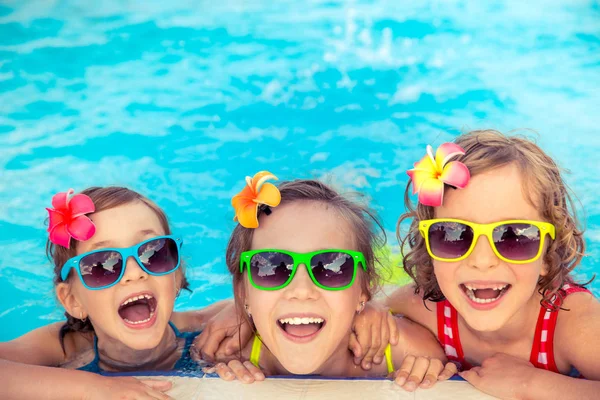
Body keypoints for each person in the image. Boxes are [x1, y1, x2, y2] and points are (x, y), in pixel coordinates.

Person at [356, 130, 600, 399]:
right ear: (429, 249)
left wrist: (531, 384)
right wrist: (372, 312)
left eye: (514, 237)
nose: (482, 261)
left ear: (547, 254)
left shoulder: (571, 321)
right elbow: (377, 308)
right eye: (453, 235)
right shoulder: (426, 306)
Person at [205, 173, 456, 391]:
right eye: (271, 266)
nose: (301, 290)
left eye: (331, 267)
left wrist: (426, 370)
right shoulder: (224, 350)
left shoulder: (410, 351)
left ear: (363, 291)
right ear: (243, 291)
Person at [0, 186, 229, 400]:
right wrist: (93, 387)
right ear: (72, 300)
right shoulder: (65, 347)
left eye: (153, 253)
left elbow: (250, 304)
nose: (134, 272)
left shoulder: (205, 328)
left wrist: (240, 313)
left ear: (177, 275)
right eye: (102, 265)